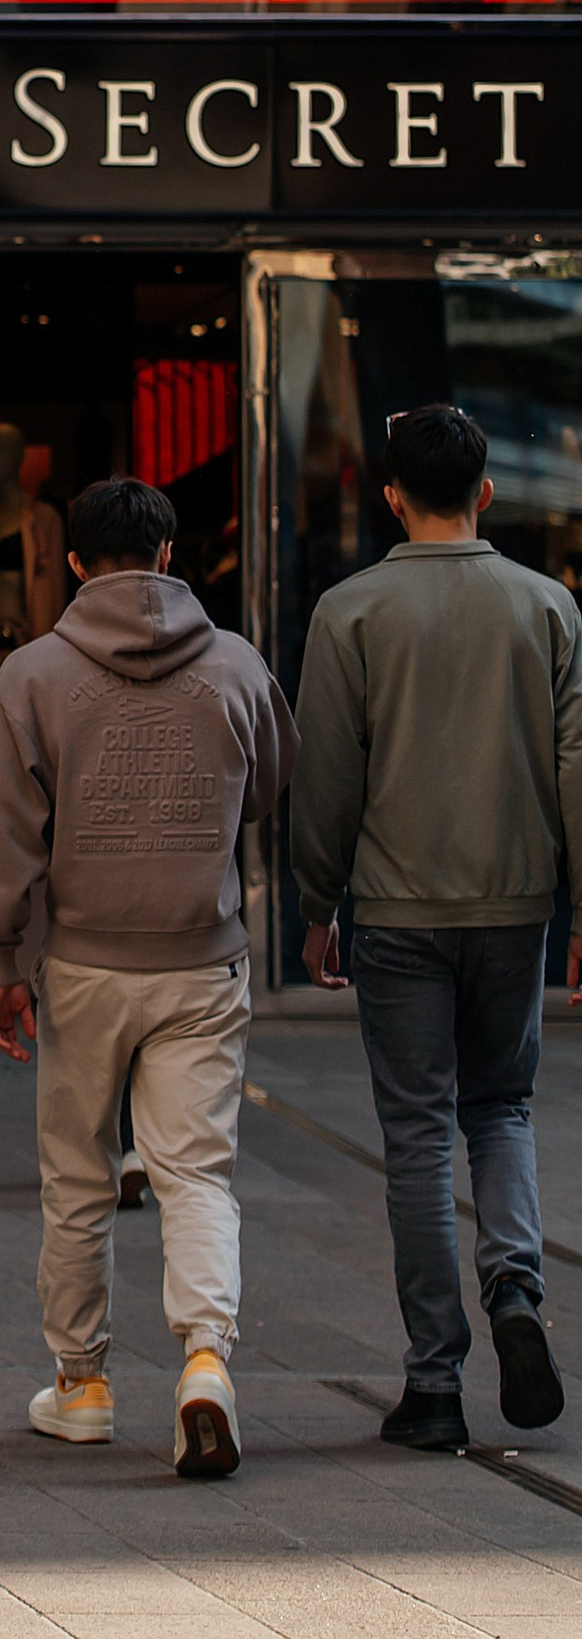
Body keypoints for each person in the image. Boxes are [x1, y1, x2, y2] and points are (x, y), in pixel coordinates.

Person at [0, 475, 296, 1480]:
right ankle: (205, 1358)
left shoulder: (32, 673)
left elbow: (2, 828)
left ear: (74, 562)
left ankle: (82, 1385)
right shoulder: (235, 664)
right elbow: (272, 785)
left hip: (82, 962)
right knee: (194, 1171)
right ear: (167, 555)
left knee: (77, 1175)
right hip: (203, 958)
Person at [292, 399, 582, 1452]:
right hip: (515, 906)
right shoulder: (547, 606)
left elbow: (327, 775)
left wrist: (317, 902)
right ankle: (515, 1288)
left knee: (416, 1135)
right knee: (501, 1107)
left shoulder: (349, 612)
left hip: (397, 910)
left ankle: (432, 1384)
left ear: (391, 497)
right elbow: (577, 768)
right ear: (486, 493)